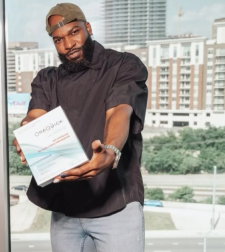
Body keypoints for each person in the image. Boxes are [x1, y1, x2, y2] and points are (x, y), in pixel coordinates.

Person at [13, 3, 148, 252]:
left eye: (74, 32)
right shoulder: (47, 79)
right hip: (66, 210)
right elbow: (35, 115)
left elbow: (120, 110)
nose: (68, 44)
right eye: (58, 39)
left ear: (87, 27)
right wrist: (26, 132)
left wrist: (110, 151)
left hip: (116, 206)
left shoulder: (122, 65)